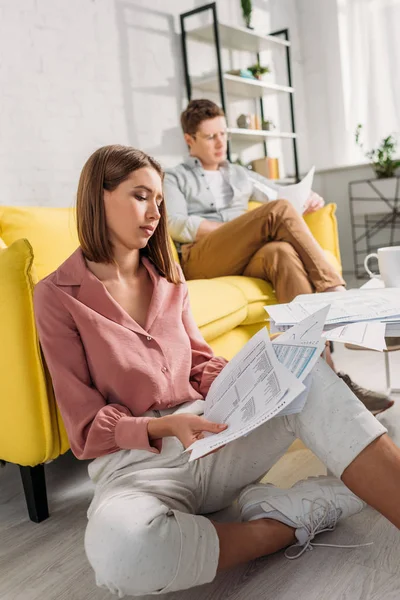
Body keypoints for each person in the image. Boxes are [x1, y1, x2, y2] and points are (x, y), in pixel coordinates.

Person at [34, 145, 400, 597]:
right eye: (140, 196)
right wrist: (166, 425)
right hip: (137, 470)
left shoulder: (167, 278)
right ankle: (289, 520)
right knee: (118, 553)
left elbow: (202, 362)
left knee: (303, 373)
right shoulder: (55, 295)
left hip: (213, 435)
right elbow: (85, 429)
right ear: (98, 196)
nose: (154, 212)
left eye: (159, 200)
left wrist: (262, 371)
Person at [164, 99, 394, 414]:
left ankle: (322, 375)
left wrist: (307, 197)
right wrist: (233, 229)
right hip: (202, 256)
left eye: (223, 134)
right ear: (190, 140)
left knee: (282, 253)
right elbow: (175, 222)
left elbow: (281, 196)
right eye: (210, 137)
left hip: (243, 255)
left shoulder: (239, 173)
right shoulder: (175, 177)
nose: (221, 143)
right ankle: (336, 292)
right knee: (279, 214)